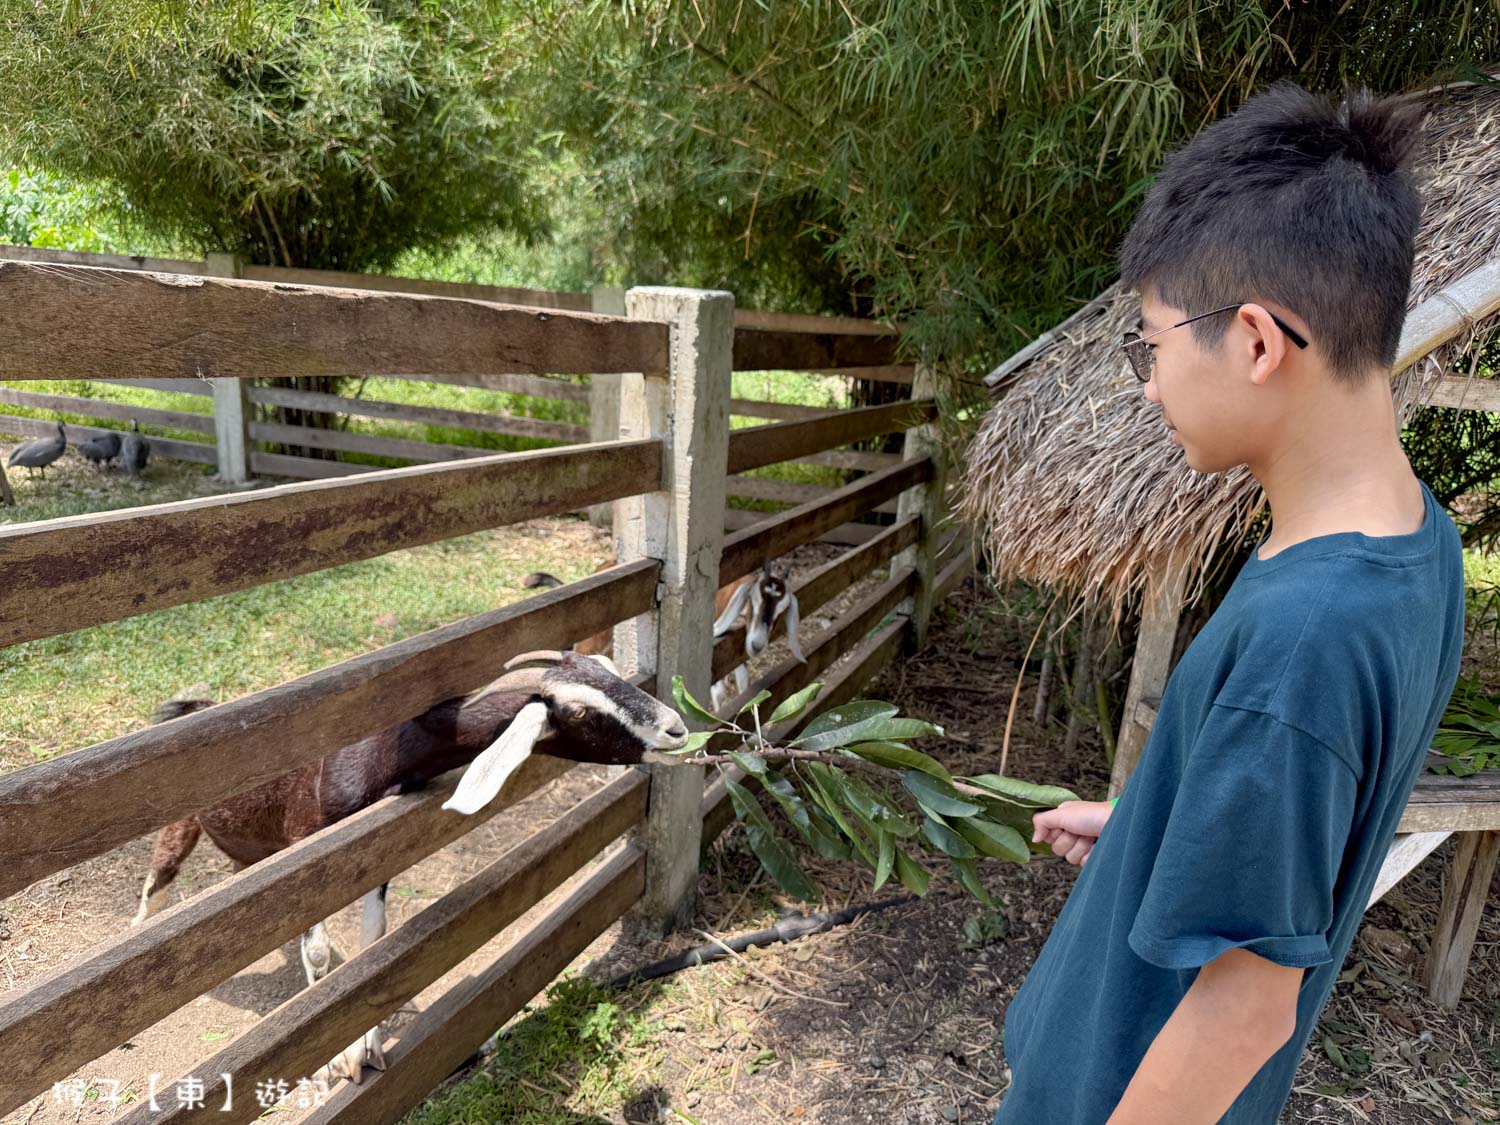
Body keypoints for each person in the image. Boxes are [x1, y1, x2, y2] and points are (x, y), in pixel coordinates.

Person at [991, 80, 1466, 1124]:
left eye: (1152, 346)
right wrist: (1155, 826)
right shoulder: (1417, 538)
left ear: (1254, 341)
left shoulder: (1307, 639)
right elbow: (1297, 818)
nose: (1149, 385)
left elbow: (1245, 1010)